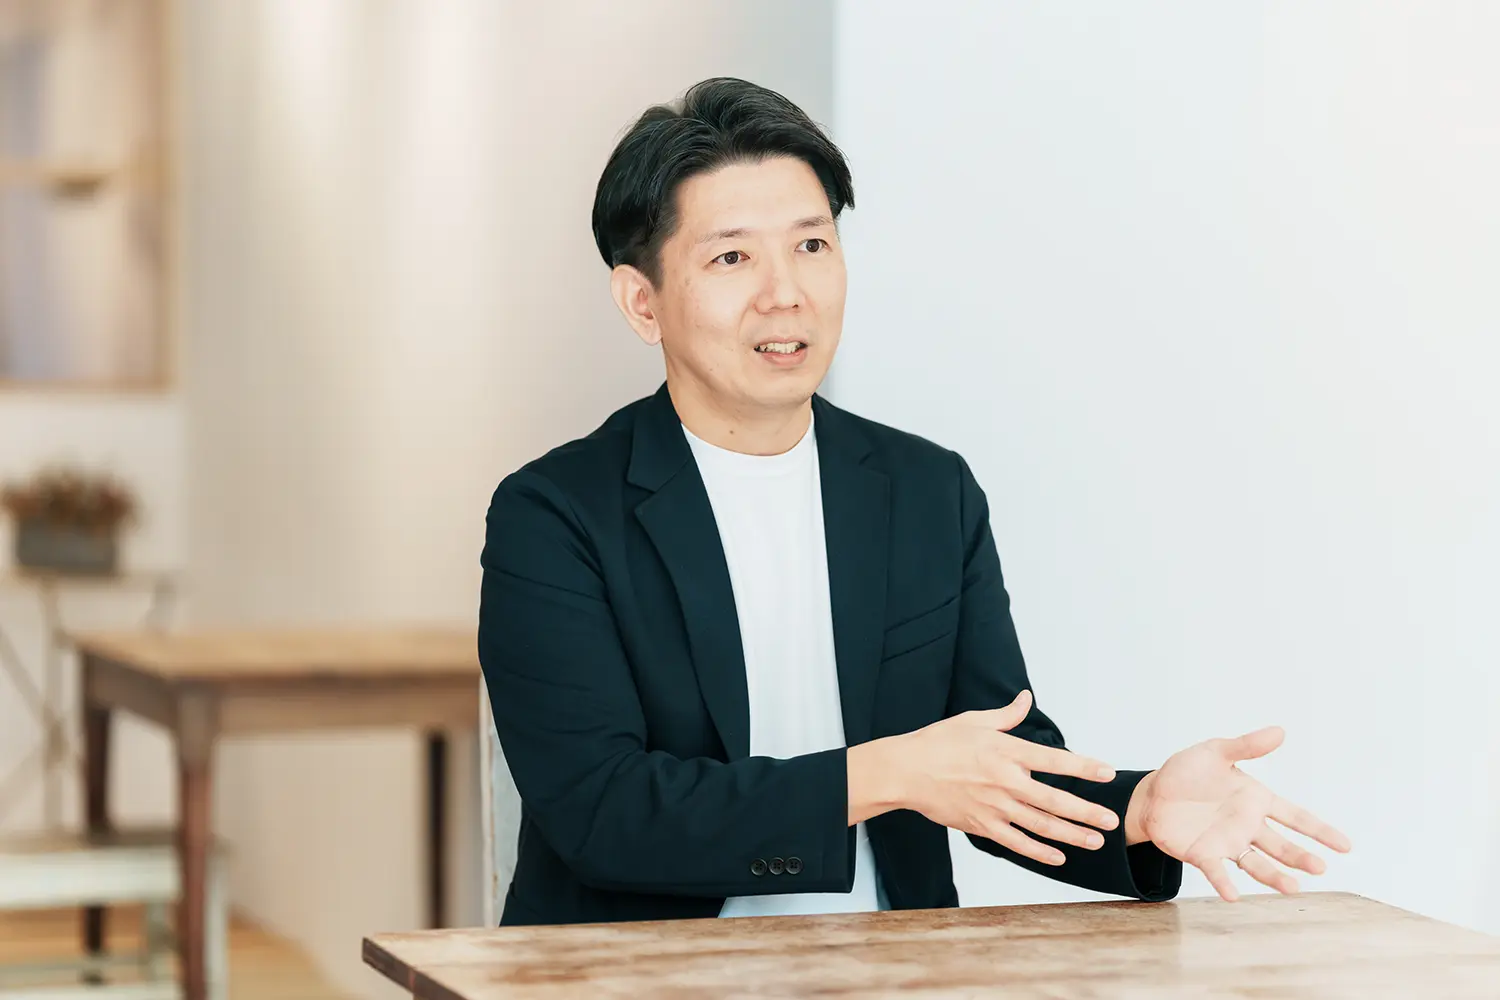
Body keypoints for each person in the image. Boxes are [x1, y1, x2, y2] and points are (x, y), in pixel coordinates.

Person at [477, 77, 1350, 927]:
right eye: (732, 257)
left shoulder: (928, 490)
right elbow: (603, 813)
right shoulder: (554, 516)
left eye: (812, 245)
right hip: (634, 978)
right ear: (643, 303)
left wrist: (1142, 808)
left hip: (894, 969)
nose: (786, 293)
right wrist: (887, 775)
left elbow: (993, 759)